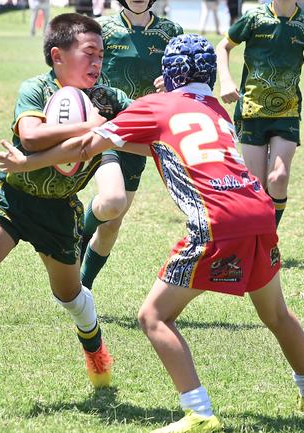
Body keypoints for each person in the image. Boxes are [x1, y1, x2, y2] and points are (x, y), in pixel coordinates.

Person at [0, 34, 304, 433]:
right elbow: (158, 145)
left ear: (169, 73)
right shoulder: (216, 110)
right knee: (275, 313)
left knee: (154, 317)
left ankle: (199, 413)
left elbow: (86, 145)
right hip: (258, 211)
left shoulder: (156, 107)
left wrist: (26, 163)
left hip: (216, 220)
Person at [0, 13, 132, 415]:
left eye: (102, 55)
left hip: (58, 214)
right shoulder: (37, 88)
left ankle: (94, 346)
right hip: (13, 201)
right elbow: (30, 136)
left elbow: (147, 118)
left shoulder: (109, 99)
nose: (97, 63)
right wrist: (90, 125)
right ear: (57, 56)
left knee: (70, 296)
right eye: (89, 53)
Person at [79, 0, 182, 291]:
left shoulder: (170, 32)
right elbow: (84, 72)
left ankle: (81, 288)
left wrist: (172, 83)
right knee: (112, 201)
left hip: (142, 134)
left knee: (112, 224)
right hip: (108, 128)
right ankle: (77, 240)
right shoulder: (104, 29)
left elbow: (188, 84)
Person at [215, 0, 304, 229]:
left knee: (278, 178)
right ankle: (254, 241)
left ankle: (269, 239)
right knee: (256, 186)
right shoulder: (255, 17)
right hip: (251, 110)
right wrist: (226, 81)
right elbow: (223, 47)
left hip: (286, 111)